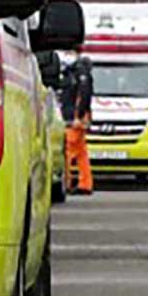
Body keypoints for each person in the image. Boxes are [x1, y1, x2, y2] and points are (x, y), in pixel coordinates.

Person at [63, 56, 94, 195]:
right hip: (80, 117)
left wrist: (78, 116)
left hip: (75, 119)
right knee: (81, 153)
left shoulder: (79, 75)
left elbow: (83, 96)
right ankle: (86, 184)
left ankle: (66, 182)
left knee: (68, 151)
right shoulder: (83, 75)